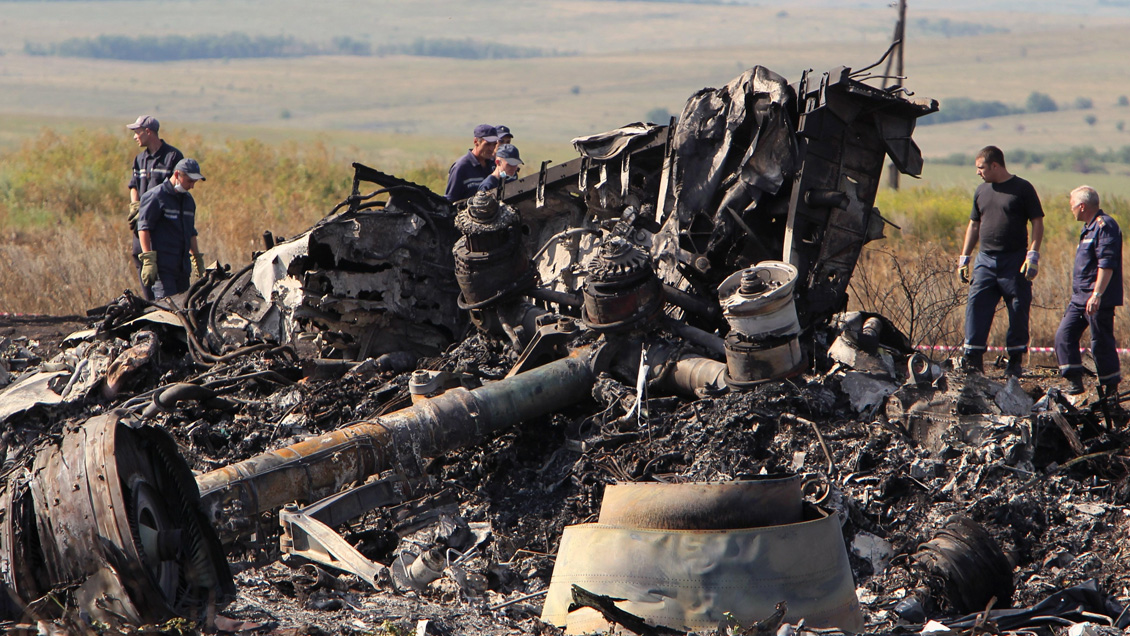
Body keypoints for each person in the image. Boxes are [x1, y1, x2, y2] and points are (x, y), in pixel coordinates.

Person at [957, 145, 1044, 376]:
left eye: (981, 168)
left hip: (1014, 260)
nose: (978, 172)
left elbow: (1037, 221)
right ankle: (973, 360)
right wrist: (965, 257)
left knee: (1017, 308)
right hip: (985, 260)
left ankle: (1014, 361)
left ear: (995, 165)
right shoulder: (981, 191)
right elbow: (974, 224)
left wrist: (1033, 254)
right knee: (976, 307)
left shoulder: (1022, 188)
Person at [1054, 185, 1123, 395]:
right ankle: (1074, 383)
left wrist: (1097, 294)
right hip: (1079, 298)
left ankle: (1110, 394)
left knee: (1101, 343)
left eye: (1072, 205)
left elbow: (1107, 264)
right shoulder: (1088, 228)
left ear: (1082, 206)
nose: (1071, 209)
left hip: (1096, 298)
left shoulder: (1105, 226)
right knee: (1063, 336)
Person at [127, 115, 183, 300]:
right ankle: (149, 308)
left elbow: (176, 188)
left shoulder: (173, 157)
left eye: (137, 132)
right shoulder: (139, 159)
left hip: (162, 227)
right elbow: (134, 185)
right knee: (140, 259)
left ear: (148, 132)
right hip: (141, 224)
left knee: (164, 274)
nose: (135, 137)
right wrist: (135, 207)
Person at [136, 158, 207, 300]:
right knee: (169, 312)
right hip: (163, 269)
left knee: (184, 309)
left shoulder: (188, 201)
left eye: (194, 182)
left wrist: (196, 258)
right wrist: (148, 259)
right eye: (189, 181)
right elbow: (144, 228)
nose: (192, 186)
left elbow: (191, 231)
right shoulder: (156, 196)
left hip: (182, 269)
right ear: (177, 175)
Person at [445, 124, 498, 202]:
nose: (491, 148)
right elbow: (450, 200)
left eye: (494, 144)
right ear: (476, 142)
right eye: (487, 144)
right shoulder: (461, 167)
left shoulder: (494, 165)